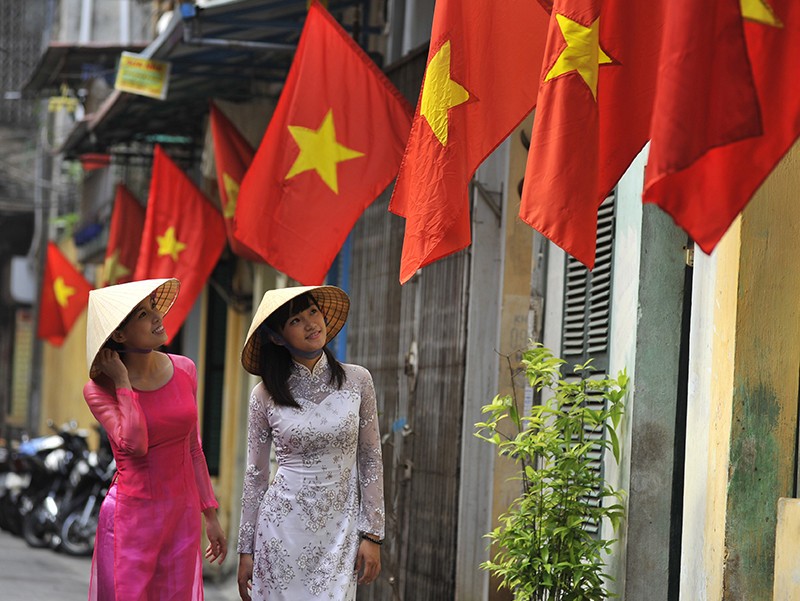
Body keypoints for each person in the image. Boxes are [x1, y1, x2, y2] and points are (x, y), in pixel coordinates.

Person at [236, 285, 384, 601]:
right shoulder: (263, 395)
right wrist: (245, 549)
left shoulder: (358, 380)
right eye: (295, 321)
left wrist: (372, 534)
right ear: (277, 337)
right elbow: (256, 476)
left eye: (313, 312)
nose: (310, 324)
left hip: (341, 533)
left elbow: (370, 458)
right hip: (280, 532)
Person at [83, 277, 227, 600]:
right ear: (119, 335)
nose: (157, 317)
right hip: (130, 520)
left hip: (182, 519)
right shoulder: (99, 390)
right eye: (143, 315)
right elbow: (135, 444)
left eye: (154, 309)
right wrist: (122, 381)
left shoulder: (186, 369)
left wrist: (211, 515)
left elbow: (194, 449)